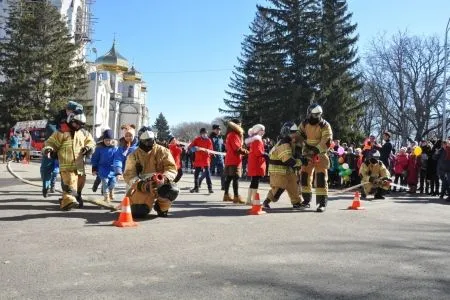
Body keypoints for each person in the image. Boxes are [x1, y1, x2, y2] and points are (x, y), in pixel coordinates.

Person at [123, 126, 179, 218]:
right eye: (146, 141)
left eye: (150, 140)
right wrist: (141, 184)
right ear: (140, 140)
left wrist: (165, 178)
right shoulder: (133, 155)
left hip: (160, 183)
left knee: (172, 190)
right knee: (139, 212)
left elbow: (171, 168)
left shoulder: (163, 151)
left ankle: (161, 207)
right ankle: (142, 203)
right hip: (142, 185)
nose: (149, 143)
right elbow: (129, 174)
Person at [43, 113, 95, 210]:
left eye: (80, 125)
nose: (78, 126)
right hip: (66, 166)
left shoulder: (83, 133)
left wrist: (88, 148)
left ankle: (76, 196)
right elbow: (50, 142)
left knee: (81, 182)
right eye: (76, 124)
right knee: (70, 183)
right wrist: (49, 149)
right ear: (70, 121)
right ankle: (67, 202)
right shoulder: (61, 132)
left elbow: (91, 141)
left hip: (79, 165)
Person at [262, 122, 306, 209]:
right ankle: (266, 202)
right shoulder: (284, 144)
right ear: (287, 133)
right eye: (293, 132)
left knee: (293, 185)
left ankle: (296, 203)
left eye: (296, 132)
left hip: (287, 170)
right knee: (279, 188)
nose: (295, 134)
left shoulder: (289, 142)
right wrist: (301, 162)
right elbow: (288, 160)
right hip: (278, 170)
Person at [299, 103, 333, 212]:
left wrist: (316, 150)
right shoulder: (304, 124)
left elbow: (327, 140)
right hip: (307, 153)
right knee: (304, 176)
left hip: (320, 155)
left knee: (321, 178)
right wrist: (300, 150)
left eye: (315, 115)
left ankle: (322, 203)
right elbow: (298, 136)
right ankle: (306, 200)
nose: (312, 117)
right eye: (311, 114)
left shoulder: (324, 125)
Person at [223, 119, 248, 204]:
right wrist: (247, 152)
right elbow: (237, 148)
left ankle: (226, 195)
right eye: (239, 125)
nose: (240, 126)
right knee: (235, 178)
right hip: (234, 160)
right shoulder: (234, 135)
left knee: (229, 178)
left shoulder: (229, 134)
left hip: (229, 159)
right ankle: (236, 196)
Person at [91, 129, 119, 203]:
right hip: (102, 169)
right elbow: (95, 158)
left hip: (112, 169)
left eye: (109, 140)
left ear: (112, 140)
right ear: (103, 140)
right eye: (106, 140)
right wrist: (94, 168)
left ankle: (111, 191)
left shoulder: (115, 149)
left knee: (113, 183)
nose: (108, 142)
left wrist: (119, 169)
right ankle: (106, 197)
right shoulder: (99, 148)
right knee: (105, 183)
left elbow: (118, 159)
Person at [244, 124, 267, 205]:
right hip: (256, 163)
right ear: (258, 131)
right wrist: (265, 154)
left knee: (253, 181)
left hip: (254, 163)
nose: (264, 131)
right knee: (255, 181)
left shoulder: (255, 139)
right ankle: (254, 200)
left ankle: (249, 199)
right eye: (262, 130)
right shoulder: (257, 140)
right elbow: (258, 152)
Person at [113, 124, 139, 190]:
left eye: (130, 135)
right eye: (126, 136)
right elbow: (118, 159)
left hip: (138, 171)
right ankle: (128, 199)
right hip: (127, 172)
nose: (128, 137)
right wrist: (118, 170)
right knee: (129, 188)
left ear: (133, 135)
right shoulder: (121, 147)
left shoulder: (138, 146)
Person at [188, 128, 214, 193]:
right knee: (196, 174)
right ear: (201, 134)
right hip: (198, 159)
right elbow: (190, 147)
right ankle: (196, 187)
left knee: (207, 174)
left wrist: (208, 152)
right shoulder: (197, 139)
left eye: (206, 133)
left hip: (206, 159)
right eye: (203, 133)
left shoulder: (209, 140)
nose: (205, 135)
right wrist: (195, 149)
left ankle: (210, 188)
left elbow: (211, 150)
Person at [40, 124, 60, 197]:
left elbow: (43, 150)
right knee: (53, 173)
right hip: (52, 159)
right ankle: (50, 187)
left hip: (50, 160)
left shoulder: (48, 140)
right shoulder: (57, 137)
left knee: (47, 174)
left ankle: (47, 187)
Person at [209, 124, 225, 189]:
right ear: (213, 130)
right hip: (212, 158)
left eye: (219, 130)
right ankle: (199, 181)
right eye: (217, 129)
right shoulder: (210, 138)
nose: (218, 131)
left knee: (223, 172)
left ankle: (223, 186)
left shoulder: (221, 138)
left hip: (220, 158)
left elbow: (222, 147)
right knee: (207, 173)